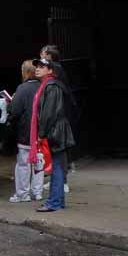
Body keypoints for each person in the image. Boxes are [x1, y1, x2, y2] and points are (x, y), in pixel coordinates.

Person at [32, 57, 75, 214]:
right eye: (37, 66)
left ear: (50, 70)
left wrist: (41, 134)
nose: (37, 68)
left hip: (55, 132)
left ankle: (54, 202)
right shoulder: (48, 85)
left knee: (57, 167)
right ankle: (58, 200)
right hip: (57, 130)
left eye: (42, 66)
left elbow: (49, 114)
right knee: (58, 166)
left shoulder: (51, 86)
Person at [8, 59, 44, 202]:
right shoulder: (43, 86)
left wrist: (9, 105)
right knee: (39, 162)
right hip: (41, 132)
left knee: (23, 163)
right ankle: (38, 191)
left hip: (25, 131)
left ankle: (23, 193)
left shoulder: (22, 88)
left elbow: (15, 111)